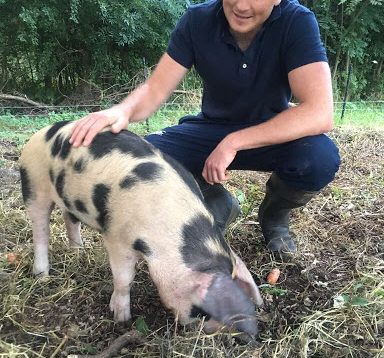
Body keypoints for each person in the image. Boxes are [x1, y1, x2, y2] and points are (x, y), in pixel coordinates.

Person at [70, 0, 340, 254]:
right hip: (210, 129)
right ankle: (217, 201)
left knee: (318, 158)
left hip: (271, 130)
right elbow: (155, 89)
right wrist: (122, 110)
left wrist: (234, 142)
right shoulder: (197, 20)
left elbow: (319, 111)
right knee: (145, 160)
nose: (241, 6)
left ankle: (274, 215)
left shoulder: (297, 22)